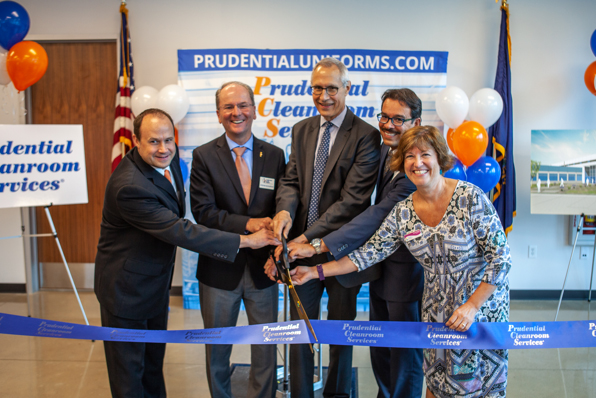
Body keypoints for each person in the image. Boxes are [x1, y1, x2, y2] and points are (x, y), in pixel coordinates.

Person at [291, 125, 511, 398]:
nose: (417, 163)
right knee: (436, 383)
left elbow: (501, 259)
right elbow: (366, 254)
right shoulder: (403, 212)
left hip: (479, 309)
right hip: (436, 309)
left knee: (474, 388)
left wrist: (471, 306)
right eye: (409, 156)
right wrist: (314, 272)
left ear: (439, 157)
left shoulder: (470, 198)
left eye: (425, 155)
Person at [94, 108, 277, 398]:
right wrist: (246, 241)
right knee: (129, 374)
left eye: (169, 140)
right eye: (154, 141)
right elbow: (181, 230)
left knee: (153, 365)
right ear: (135, 141)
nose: (164, 148)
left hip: (154, 284)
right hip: (126, 291)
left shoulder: (169, 162)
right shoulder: (129, 186)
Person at [278, 89, 425, 398]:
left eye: (398, 119)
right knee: (382, 352)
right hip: (376, 266)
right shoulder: (386, 150)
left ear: (416, 122)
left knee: (403, 358)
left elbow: (374, 214)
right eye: (384, 117)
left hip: (403, 276)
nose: (388, 125)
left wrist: (316, 245)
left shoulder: (416, 168)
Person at [272, 57, 381, 398]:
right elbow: (291, 180)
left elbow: (351, 202)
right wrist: (285, 214)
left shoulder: (367, 136)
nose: (324, 96)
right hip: (300, 255)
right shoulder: (302, 129)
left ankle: (336, 394)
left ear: (347, 89)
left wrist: (306, 238)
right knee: (299, 331)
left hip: (341, 252)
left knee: (339, 333)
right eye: (317, 88)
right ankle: (301, 393)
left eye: (332, 88)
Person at [190, 81, 286, 398]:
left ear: (254, 110)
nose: (237, 112)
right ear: (218, 114)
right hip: (220, 269)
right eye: (229, 107)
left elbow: (282, 208)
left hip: (264, 270)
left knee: (265, 346)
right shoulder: (204, 156)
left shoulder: (274, 155)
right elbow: (203, 212)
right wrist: (249, 224)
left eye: (243, 105)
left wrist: (277, 249)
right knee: (217, 347)